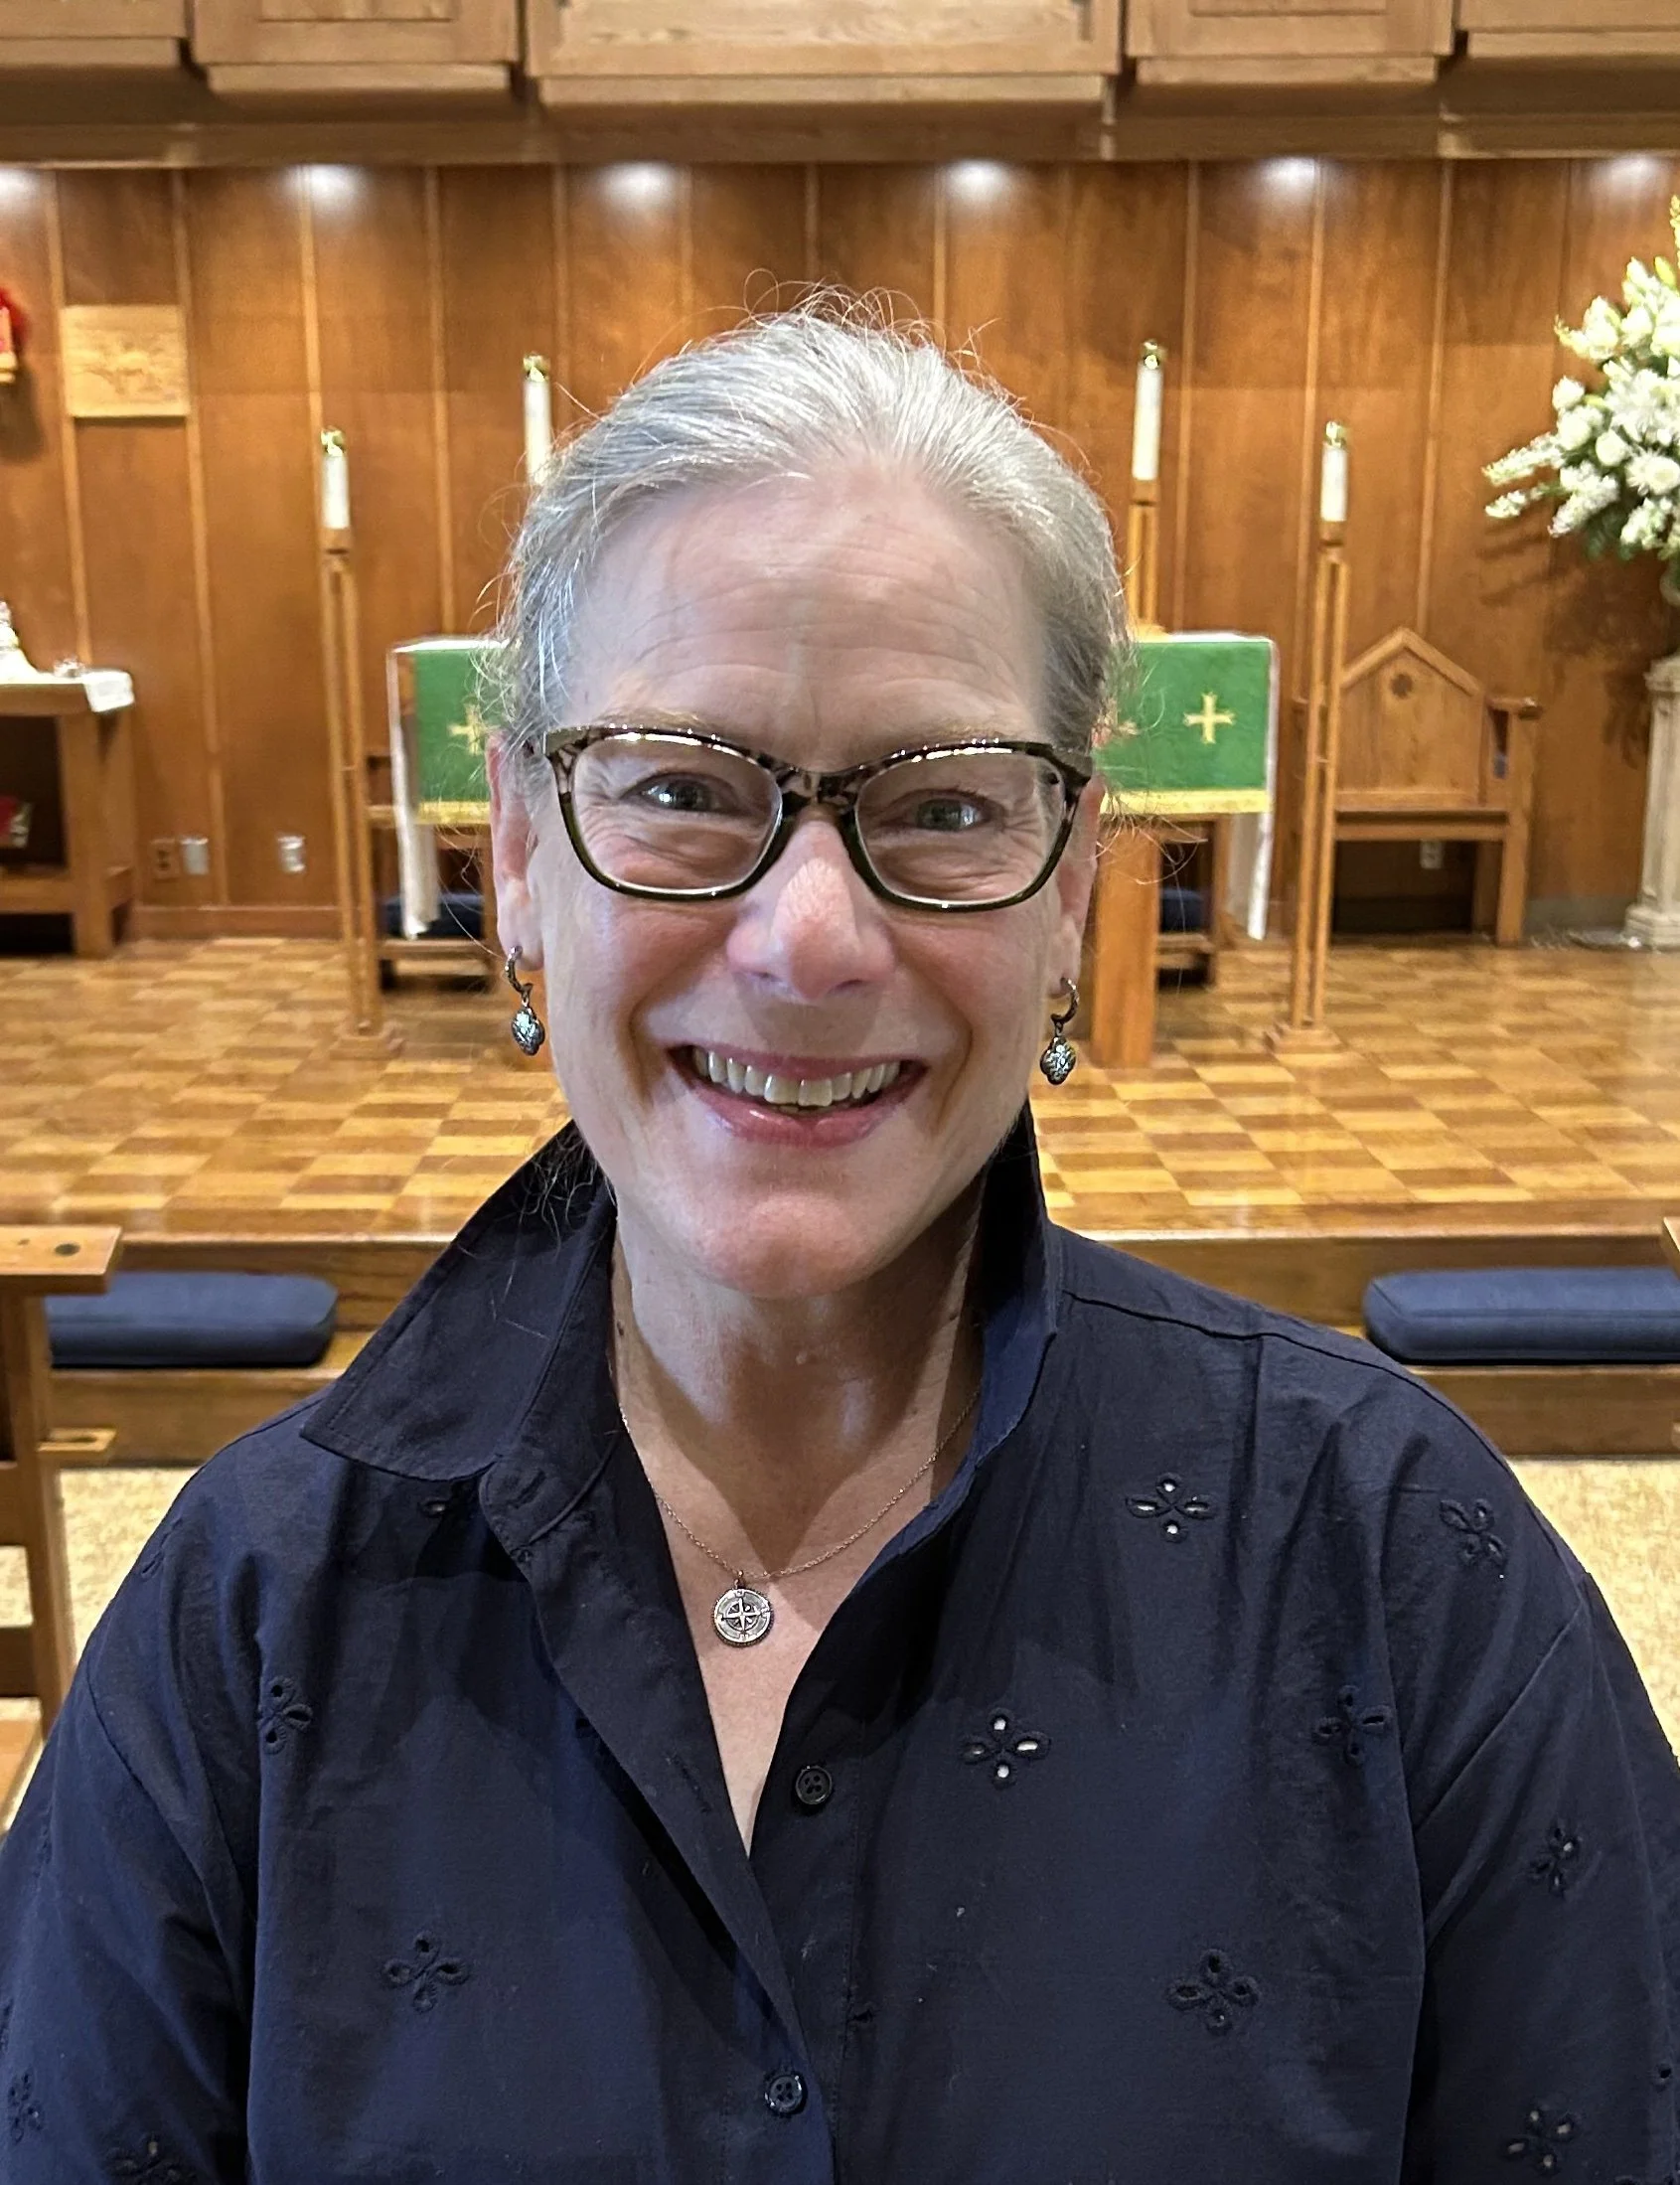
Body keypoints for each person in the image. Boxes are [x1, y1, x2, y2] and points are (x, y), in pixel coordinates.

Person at [0, 305, 1676, 2182]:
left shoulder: (1398, 1566)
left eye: (943, 804)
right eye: (679, 787)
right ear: (521, 866)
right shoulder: (246, 1611)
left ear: (1072, 890)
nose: (806, 941)